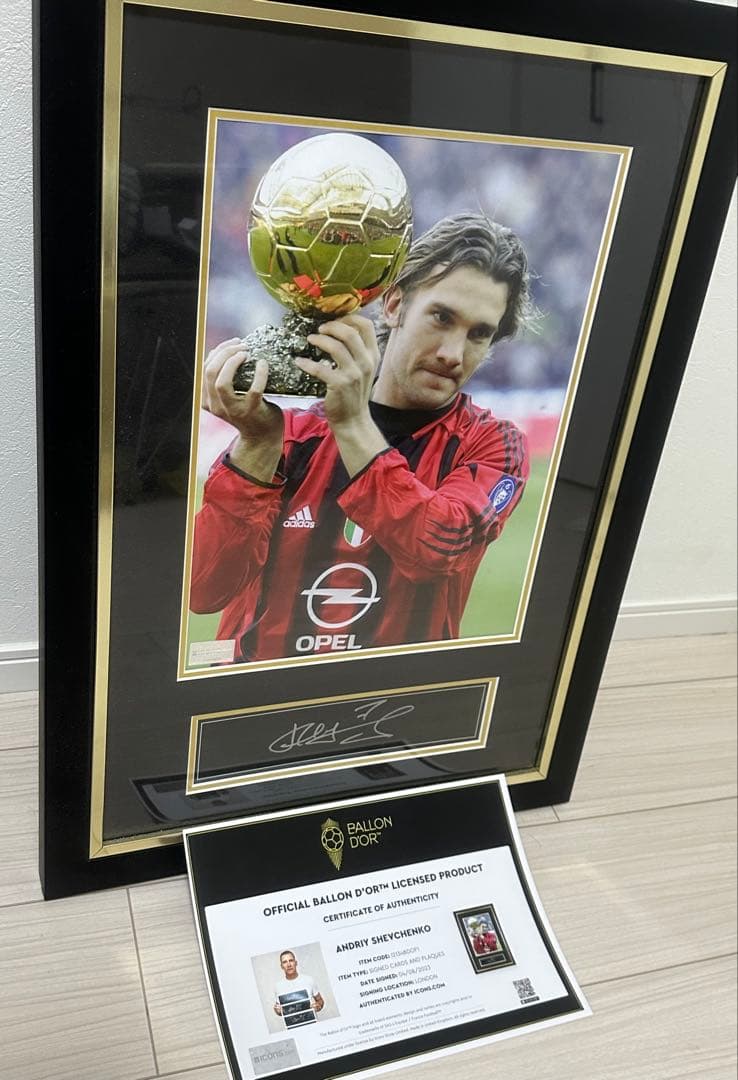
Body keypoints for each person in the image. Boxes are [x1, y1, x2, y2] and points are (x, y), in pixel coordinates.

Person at [191, 212, 531, 663]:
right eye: (441, 317)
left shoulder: (493, 444)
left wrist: (352, 424)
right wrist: (254, 446)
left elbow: (437, 547)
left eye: (479, 334)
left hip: (393, 697)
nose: (453, 353)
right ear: (394, 305)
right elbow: (203, 589)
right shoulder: (288, 438)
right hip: (258, 693)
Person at [273, 950, 325, 1018]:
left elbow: (320, 1001)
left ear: (296, 963)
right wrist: (277, 1011)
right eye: (285, 962)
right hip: (291, 1024)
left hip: (311, 1022)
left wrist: (318, 1006)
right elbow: (279, 1009)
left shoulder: (309, 980)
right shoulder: (278, 986)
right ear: (282, 966)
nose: (289, 965)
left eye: (291, 960)